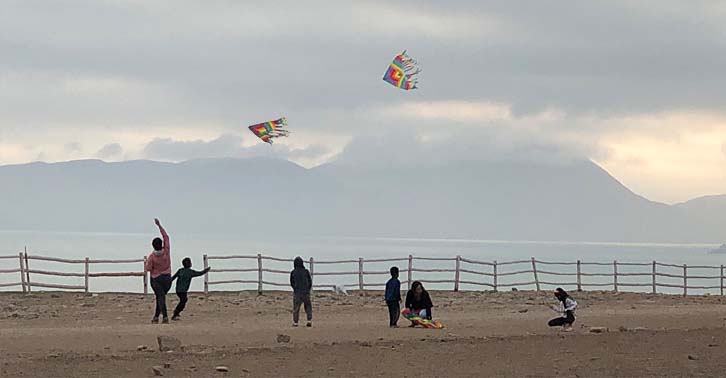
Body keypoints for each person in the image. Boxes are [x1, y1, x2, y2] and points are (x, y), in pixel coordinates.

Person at [145, 218, 172, 324]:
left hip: (156, 279)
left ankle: (165, 317)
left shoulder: (152, 257)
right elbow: (166, 237)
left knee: (160, 297)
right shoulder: (166, 251)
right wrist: (159, 225)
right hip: (167, 278)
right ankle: (156, 316)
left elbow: (148, 268)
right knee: (160, 297)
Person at [290, 256, 313, 327]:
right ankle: (309, 320)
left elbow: (292, 282)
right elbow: (310, 282)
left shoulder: (293, 272)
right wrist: (308, 289)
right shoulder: (306, 271)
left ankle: (295, 322)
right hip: (306, 292)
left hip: (297, 292)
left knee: (296, 308)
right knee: (308, 306)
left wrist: (295, 288)